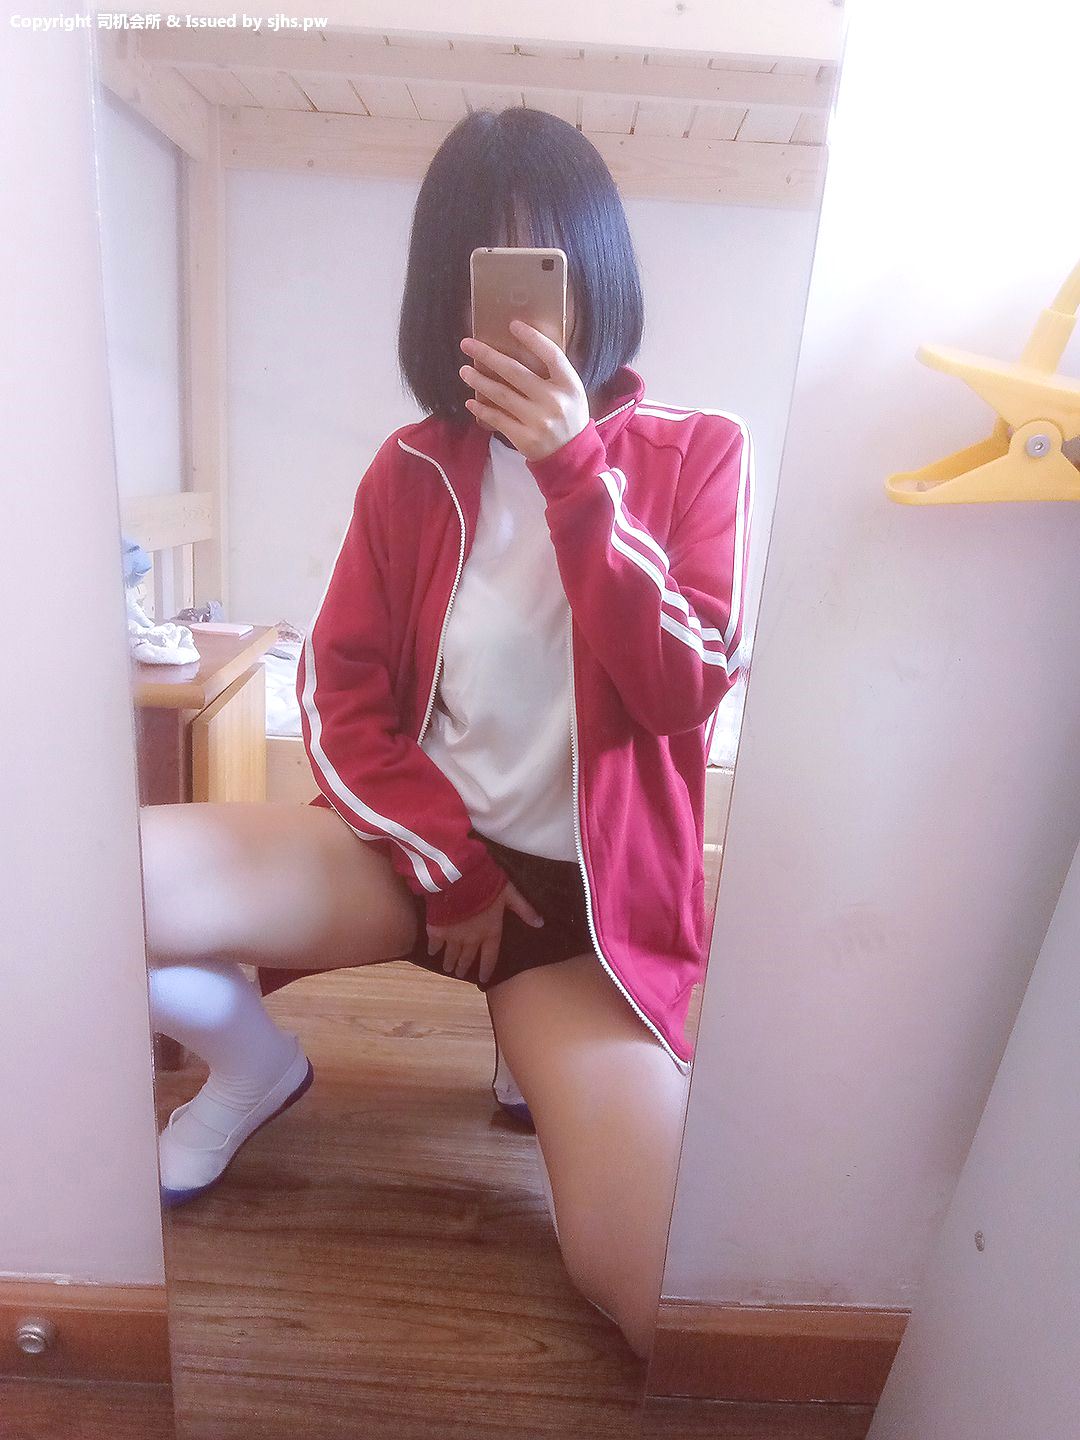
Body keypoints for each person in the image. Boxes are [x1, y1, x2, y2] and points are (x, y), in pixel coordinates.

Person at [141, 106, 752, 1363]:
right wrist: (451, 867)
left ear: (597, 271)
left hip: (579, 915)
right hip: (412, 862)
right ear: (444, 297)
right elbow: (341, 692)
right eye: (485, 271)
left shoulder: (698, 455)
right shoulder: (411, 469)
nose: (523, 318)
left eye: (545, 266)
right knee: (70, 890)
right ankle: (253, 1067)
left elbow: (685, 686)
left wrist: (575, 472)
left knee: (651, 1290)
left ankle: (534, 1056)